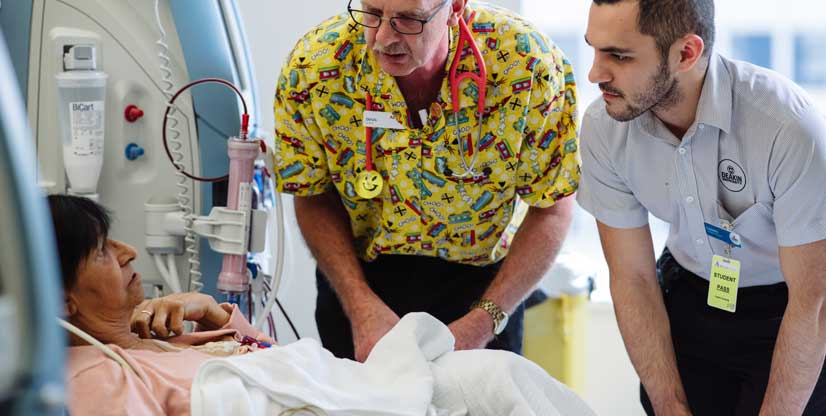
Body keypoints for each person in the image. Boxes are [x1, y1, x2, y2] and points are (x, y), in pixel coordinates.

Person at [273, 0, 579, 361]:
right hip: (359, 277)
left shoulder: (528, 67)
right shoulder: (315, 65)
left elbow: (553, 209)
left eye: (408, 20)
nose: (384, 38)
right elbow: (311, 194)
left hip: (483, 286)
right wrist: (358, 305)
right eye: (372, 13)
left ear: (455, 8)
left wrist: (484, 321)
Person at [577, 0, 826, 414]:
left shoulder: (788, 128)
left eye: (618, 56)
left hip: (788, 310)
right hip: (690, 295)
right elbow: (632, 277)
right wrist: (669, 406)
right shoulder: (605, 128)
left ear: (686, 54)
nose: (595, 73)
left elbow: (813, 304)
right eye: (594, 49)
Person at [49, 194, 275, 415]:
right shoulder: (100, 381)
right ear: (63, 301)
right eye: (100, 251)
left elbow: (279, 367)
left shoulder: (150, 343)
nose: (129, 252)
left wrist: (215, 316)